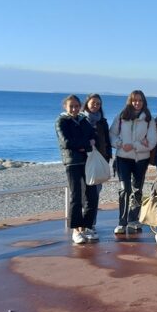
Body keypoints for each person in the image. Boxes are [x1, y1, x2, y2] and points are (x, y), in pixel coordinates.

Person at [109, 90, 157, 235]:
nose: (137, 103)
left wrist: (135, 145)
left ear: (144, 102)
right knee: (125, 189)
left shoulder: (149, 119)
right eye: (134, 100)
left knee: (137, 189)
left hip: (141, 160)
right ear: (130, 101)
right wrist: (120, 143)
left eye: (140, 100)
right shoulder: (122, 116)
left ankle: (133, 219)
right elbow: (112, 134)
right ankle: (122, 222)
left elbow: (152, 142)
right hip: (123, 158)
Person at [56, 94, 99, 244]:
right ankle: (76, 229)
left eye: (76, 106)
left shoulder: (83, 120)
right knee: (76, 196)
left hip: (87, 162)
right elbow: (66, 142)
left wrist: (83, 144)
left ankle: (87, 226)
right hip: (72, 162)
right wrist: (85, 144)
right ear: (65, 107)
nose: (74, 108)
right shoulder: (61, 121)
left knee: (91, 195)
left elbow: (93, 136)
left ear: (80, 106)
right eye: (71, 106)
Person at [82, 93, 112, 234]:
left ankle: (90, 223)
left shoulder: (102, 121)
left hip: (99, 160)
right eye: (93, 103)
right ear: (87, 103)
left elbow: (106, 141)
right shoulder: (80, 119)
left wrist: (108, 157)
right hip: (82, 161)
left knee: (95, 193)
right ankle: (79, 224)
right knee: (82, 194)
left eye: (98, 104)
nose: (95, 106)